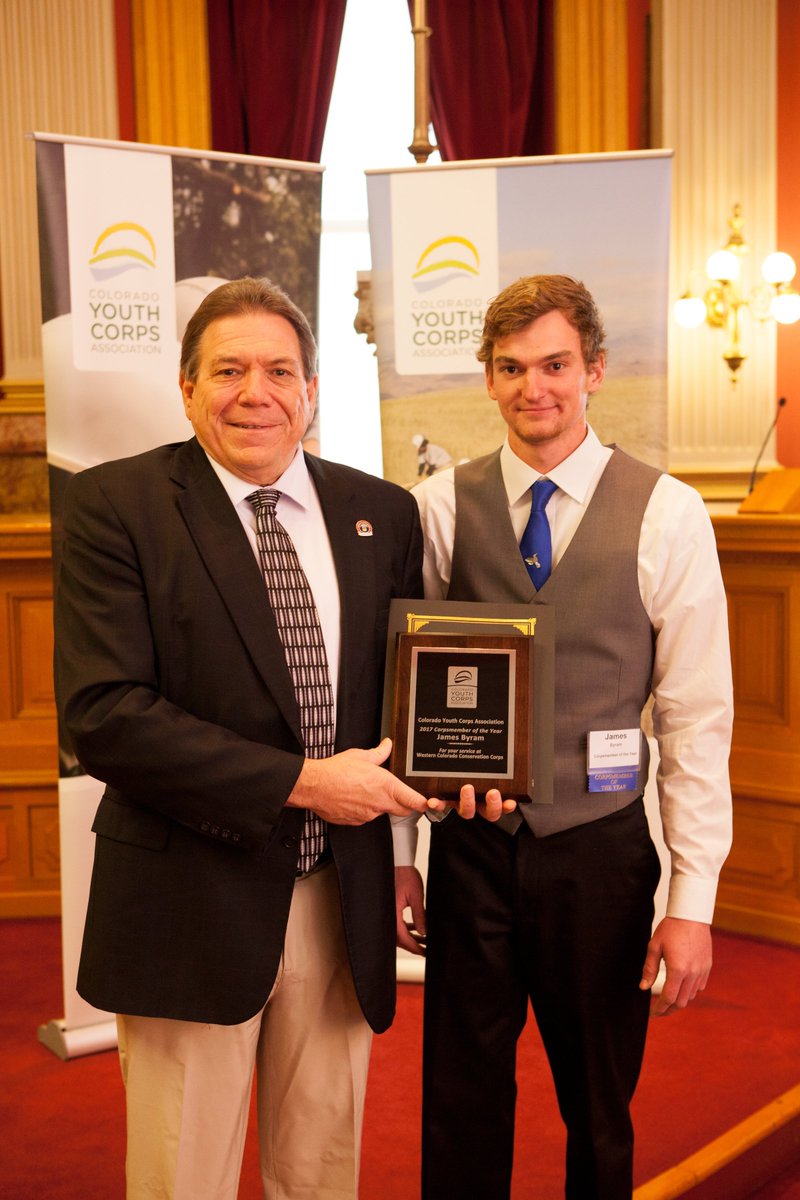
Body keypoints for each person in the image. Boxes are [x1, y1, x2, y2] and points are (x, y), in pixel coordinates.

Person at [54, 276, 442, 1200]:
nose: (254, 392)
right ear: (186, 389)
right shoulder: (118, 506)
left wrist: (399, 849)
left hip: (338, 896)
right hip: (190, 896)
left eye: (279, 370)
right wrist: (306, 783)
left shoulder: (380, 512)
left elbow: (399, 708)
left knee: (320, 1169)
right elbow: (106, 713)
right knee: (180, 1175)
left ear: (312, 391)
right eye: (227, 370)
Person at [393, 275, 734, 1199]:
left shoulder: (668, 512)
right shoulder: (437, 507)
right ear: (488, 378)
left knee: (600, 1107)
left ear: (595, 370)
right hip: (470, 848)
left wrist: (692, 901)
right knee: (459, 1104)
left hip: (602, 853)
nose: (531, 387)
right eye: (510, 368)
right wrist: (400, 855)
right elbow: (403, 701)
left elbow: (697, 719)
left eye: (553, 364)